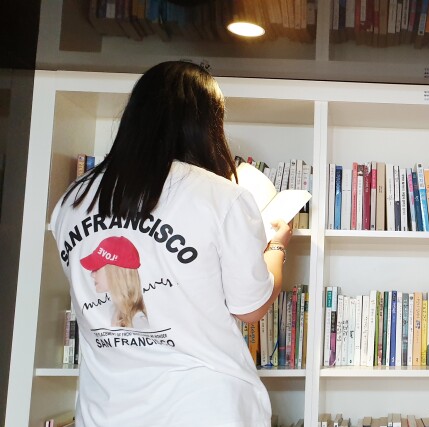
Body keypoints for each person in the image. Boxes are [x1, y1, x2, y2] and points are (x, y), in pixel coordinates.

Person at [50, 61, 291, 426]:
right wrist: (277, 246)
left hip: (105, 411)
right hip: (203, 408)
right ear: (205, 125)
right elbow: (250, 307)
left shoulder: (71, 201)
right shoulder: (220, 196)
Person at [80, 236, 150, 328]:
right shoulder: (115, 311)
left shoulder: (138, 322)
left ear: (114, 273)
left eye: (96, 269)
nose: (92, 275)